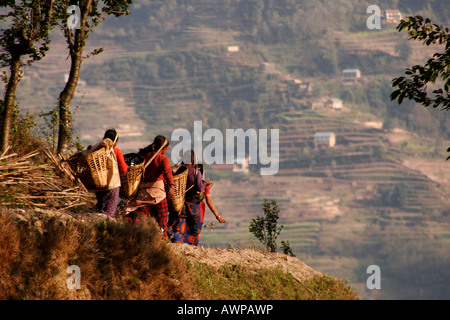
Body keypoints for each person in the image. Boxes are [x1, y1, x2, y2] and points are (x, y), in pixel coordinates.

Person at [125, 135, 174, 240]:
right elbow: (168, 173)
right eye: (166, 149)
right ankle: (162, 240)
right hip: (158, 194)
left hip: (143, 194)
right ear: (163, 149)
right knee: (162, 219)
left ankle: (134, 237)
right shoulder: (163, 159)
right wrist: (171, 186)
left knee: (139, 217)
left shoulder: (143, 156)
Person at [167, 151, 205, 246]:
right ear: (193, 161)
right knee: (194, 229)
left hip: (179, 204)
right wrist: (204, 183)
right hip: (192, 205)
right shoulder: (195, 172)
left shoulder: (178, 170)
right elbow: (199, 188)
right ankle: (193, 246)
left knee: (178, 225)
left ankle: (177, 243)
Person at [93, 128, 128, 218]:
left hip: (99, 185)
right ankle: (104, 227)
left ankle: (97, 223)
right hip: (112, 185)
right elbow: (123, 169)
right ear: (115, 142)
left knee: (100, 206)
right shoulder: (116, 151)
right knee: (109, 212)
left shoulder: (97, 150)